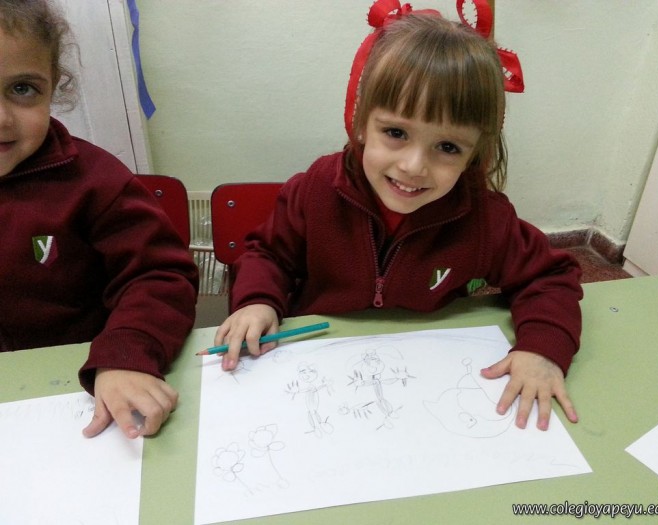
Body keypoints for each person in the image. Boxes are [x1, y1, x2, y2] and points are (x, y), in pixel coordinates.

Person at [215, 0, 583, 432]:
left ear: (474, 154)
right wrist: (258, 300)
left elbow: (549, 278)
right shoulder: (315, 189)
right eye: (395, 133)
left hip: (424, 382)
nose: (413, 166)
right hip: (316, 370)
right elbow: (268, 255)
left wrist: (542, 348)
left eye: (447, 147)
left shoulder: (485, 218)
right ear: (360, 122)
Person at [0, 0, 198, 439]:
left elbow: (160, 275)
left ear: (54, 85)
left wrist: (126, 354)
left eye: (22, 89)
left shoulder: (96, 182)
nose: (1, 118)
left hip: (87, 393)